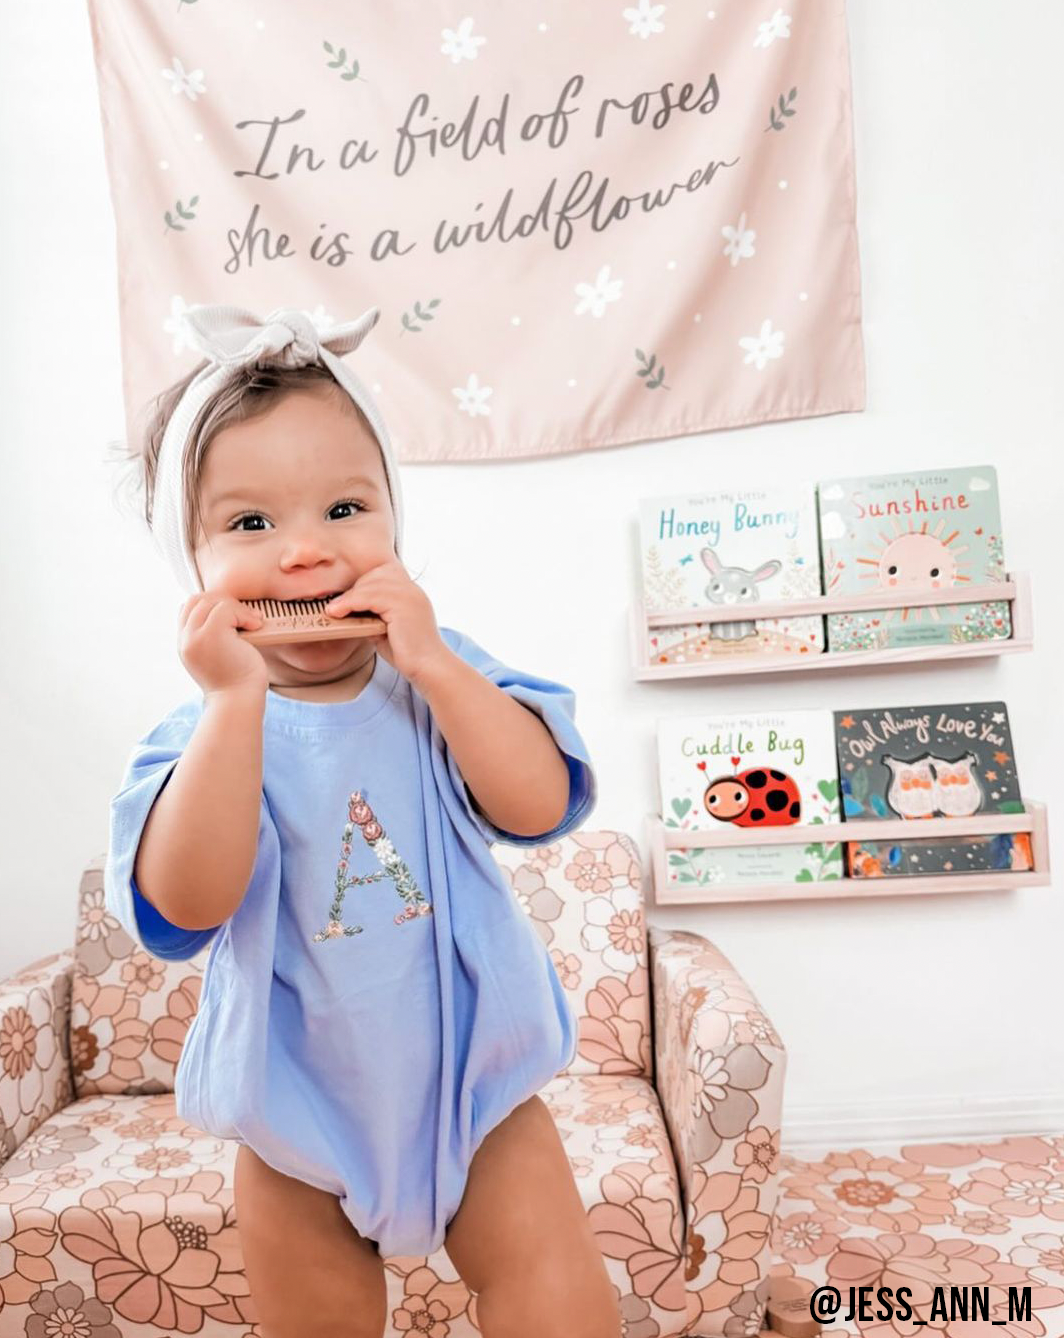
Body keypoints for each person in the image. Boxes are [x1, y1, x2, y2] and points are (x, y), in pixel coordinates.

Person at [104, 304, 621, 1338]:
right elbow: (185, 908)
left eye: (343, 508)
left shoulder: (441, 677)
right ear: (191, 563)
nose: (304, 555)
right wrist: (231, 705)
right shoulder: (200, 731)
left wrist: (432, 664)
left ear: (391, 518)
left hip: (480, 1099)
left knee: (561, 1311)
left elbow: (539, 804)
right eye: (251, 525)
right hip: (293, 1115)